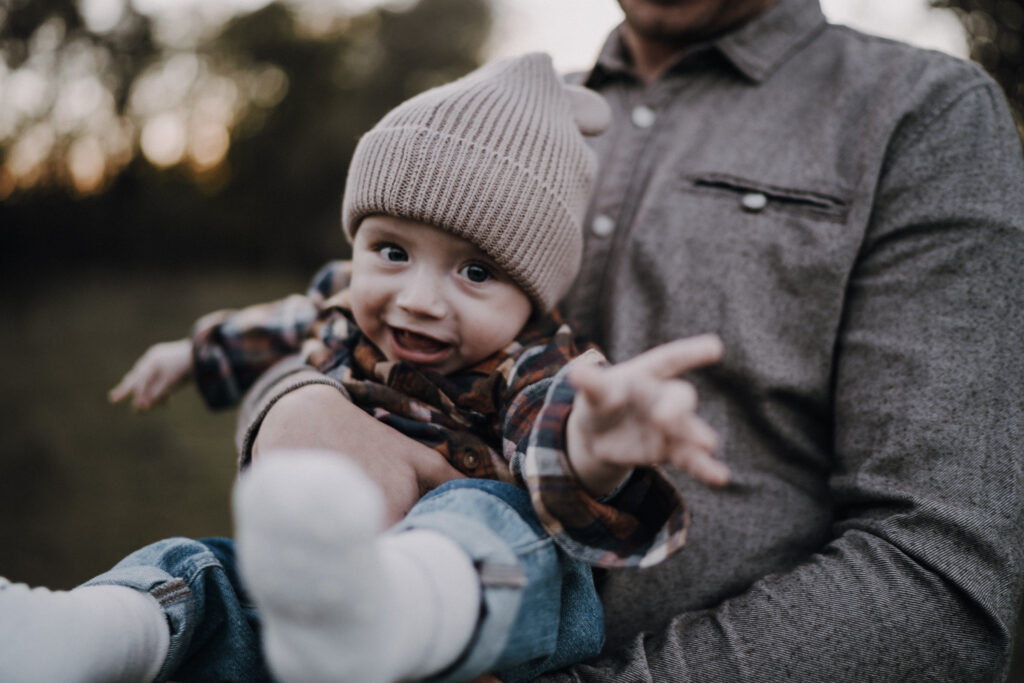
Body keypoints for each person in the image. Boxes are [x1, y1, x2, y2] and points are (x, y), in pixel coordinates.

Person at [247, 0, 1024, 681]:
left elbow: (939, 575)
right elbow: (344, 312)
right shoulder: (503, 122)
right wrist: (292, 403)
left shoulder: (919, 112)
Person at [0, 53, 729, 683]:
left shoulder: (534, 361)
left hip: (482, 600)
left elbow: (554, 427)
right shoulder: (341, 305)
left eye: (475, 271)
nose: (419, 300)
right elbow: (276, 326)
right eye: (392, 251)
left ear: (532, 294)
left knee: (485, 512)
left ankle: (393, 604)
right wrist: (192, 353)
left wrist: (592, 449)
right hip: (335, 593)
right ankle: (98, 633)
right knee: (213, 575)